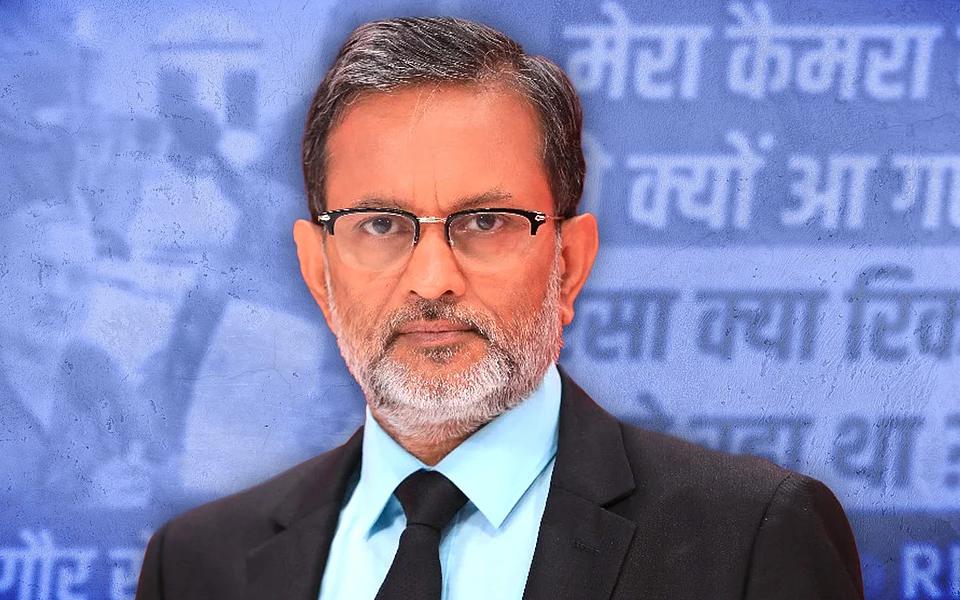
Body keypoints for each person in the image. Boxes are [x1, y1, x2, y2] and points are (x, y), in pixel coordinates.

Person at [135, 15, 864, 600]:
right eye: (380, 224)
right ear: (318, 273)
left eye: (486, 222)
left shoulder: (750, 539)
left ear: (569, 264)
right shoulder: (196, 565)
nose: (432, 280)